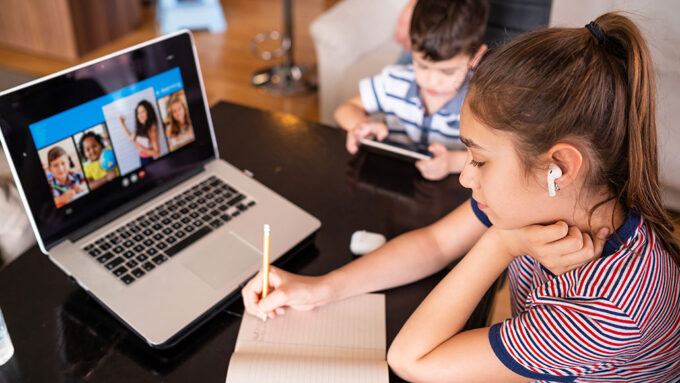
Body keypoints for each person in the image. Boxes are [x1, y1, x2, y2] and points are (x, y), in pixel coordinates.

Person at [244, 12, 680, 381]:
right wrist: (319, 289)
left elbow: (410, 359)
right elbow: (435, 244)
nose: (467, 178)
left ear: (559, 167)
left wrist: (502, 244)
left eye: (480, 160)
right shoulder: (560, 199)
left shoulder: (607, 311)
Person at [335, 0, 489, 181]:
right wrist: (360, 124)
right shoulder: (395, 82)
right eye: (422, 66)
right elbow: (344, 110)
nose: (431, 81)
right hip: (393, 182)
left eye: (447, 72)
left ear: (475, 57)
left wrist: (451, 162)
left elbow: (493, 157)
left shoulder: (482, 102)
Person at [119, 100, 161, 166]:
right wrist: (122, 123)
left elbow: (157, 153)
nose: (140, 115)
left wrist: (141, 148)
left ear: (148, 112)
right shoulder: (140, 128)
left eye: (142, 112)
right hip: (142, 159)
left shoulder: (151, 129)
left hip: (149, 160)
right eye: (138, 113)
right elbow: (130, 138)